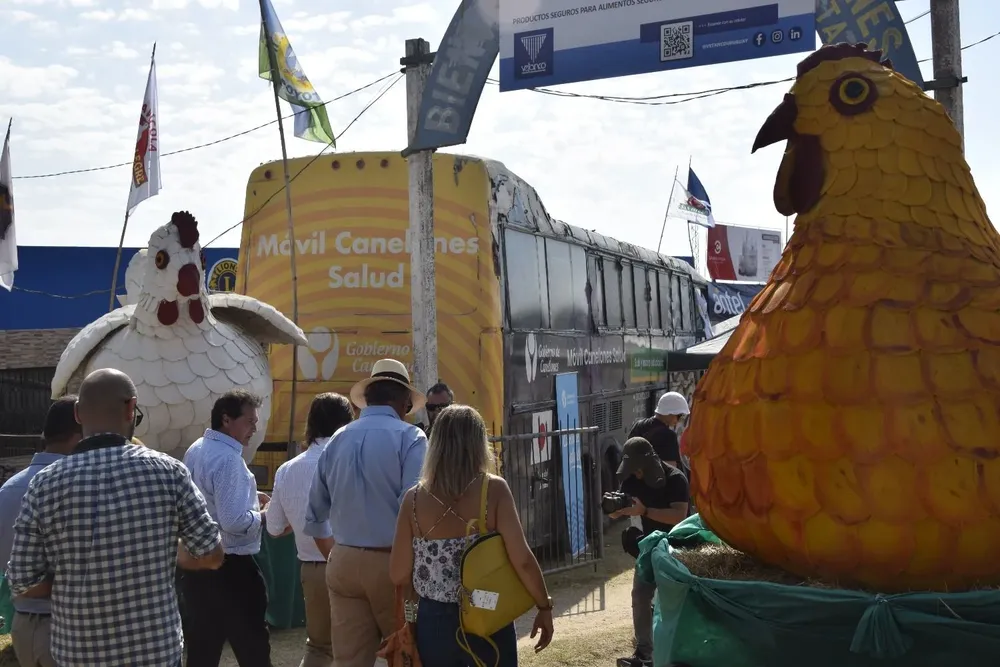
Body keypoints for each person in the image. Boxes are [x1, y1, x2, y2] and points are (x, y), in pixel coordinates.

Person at [7, 369, 224, 667]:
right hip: (154, 651)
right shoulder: (169, 472)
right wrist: (165, 561)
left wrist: (80, 581)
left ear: (78, 414)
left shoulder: (44, 484)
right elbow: (212, 554)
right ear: (130, 408)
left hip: (79, 653)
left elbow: (21, 580)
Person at [389, 404, 554, 667]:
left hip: (435, 620)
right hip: (487, 611)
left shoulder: (413, 499)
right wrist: (544, 606)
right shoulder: (494, 490)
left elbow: (398, 573)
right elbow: (522, 559)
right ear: (479, 443)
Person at [305, 358, 428, 667]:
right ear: (402, 402)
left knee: (349, 660)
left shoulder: (338, 437)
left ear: (368, 399)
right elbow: (411, 505)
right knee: (406, 651)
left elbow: (315, 512)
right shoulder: (411, 437)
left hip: (343, 559)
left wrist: (338, 552)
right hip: (391, 562)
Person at [181, 390, 273, 667]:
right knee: (253, 649)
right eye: (249, 422)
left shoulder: (196, 449)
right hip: (232, 567)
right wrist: (263, 515)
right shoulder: (228, 459)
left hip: (198, 564)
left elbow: (212, 504)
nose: (254, 429)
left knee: (202, 649)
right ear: (226, 420)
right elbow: (233, 521)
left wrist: (250, 504)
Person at [266, 393, 354, 667]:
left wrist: (298, 517)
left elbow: (275, 528)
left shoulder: (287, 470)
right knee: (361, 647)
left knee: (318, 647)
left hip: (312, 569)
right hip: (354, 562)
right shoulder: (352, 461)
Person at [0, 396, 82, 667]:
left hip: (23, 626)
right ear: (81, 433)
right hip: (71, 629)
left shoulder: (8, 490)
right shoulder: (78, 488)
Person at [611, 437, 689, 667]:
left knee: (672, 600)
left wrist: (645, 511)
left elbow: (679, 515)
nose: (635, 475)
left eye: (637, 470)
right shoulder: (631, 481)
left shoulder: (676, 479)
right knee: (640, 596)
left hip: (675, 548)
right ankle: (645, 653)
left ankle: (677, 650)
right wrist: (617, 511)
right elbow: (623, 509)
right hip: (647, 547)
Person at [627, 391, 690, 469]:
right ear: (669, 413)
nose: (679, 420)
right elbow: (671, 469)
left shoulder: (639, 425)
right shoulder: (669, 436)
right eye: (679, 415)